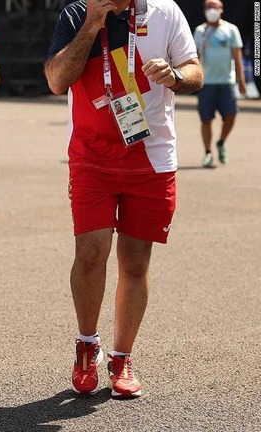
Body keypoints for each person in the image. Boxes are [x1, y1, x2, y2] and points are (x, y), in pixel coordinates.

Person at [44, 0, 203, 399]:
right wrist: (93, 23)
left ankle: (122, 356)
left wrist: (176, 76)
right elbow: (57, 80)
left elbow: (195, 71)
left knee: (135, 260)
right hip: (91, 156)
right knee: (91, 251)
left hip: (151, 156)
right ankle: (86, 345)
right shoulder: (77, 13)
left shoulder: (165, 12)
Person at [194, 0, 246, 167]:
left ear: (221, 10)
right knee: (206, 120)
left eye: (214, 7)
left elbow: (237, 57)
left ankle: (221, 141)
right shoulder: (200, 31)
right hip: (206, 83)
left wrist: (241, 81)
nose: (211, 10)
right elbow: (194, 57)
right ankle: (208, 153)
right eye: (208, 7)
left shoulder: (231, 30)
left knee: (231, 116)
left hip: (226, 82)